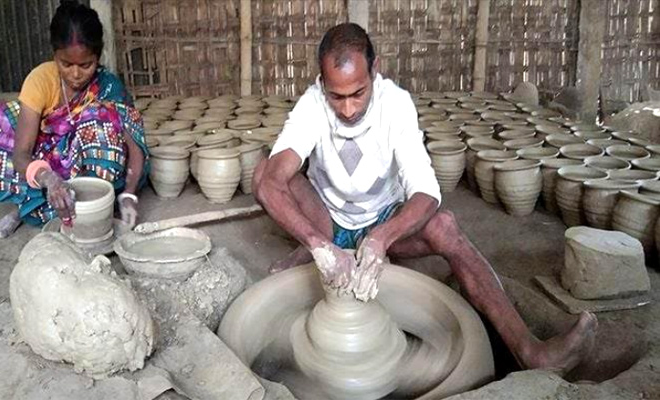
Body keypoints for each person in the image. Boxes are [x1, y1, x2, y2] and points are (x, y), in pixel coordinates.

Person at [252, 22, 597, 375]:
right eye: (336, 96)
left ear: (375, 69)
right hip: (324, 219)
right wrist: (317, 245)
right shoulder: (312, 105)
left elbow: (426, 192)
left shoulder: (396, 105)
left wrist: (380, 238)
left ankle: (529, 350)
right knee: (273, 171)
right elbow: (268, 183)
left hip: (382, 218)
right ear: (322, 82)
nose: (348, 109)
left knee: (445, 226)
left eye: (358, 93)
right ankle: (314, 251)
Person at [0, 0, 148, 238]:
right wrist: (48, 179)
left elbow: (134, 147)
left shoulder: (108, 85)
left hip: (85, 166)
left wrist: (130, 194)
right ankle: (24, 207)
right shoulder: (40, 80)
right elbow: (21, 153)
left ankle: (93, 205)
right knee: (7, 118)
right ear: (54, 55)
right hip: (48, 167)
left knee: (100, 116)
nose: (75, 73)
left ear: (98, 55)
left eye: (85, 65)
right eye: (66, 63)